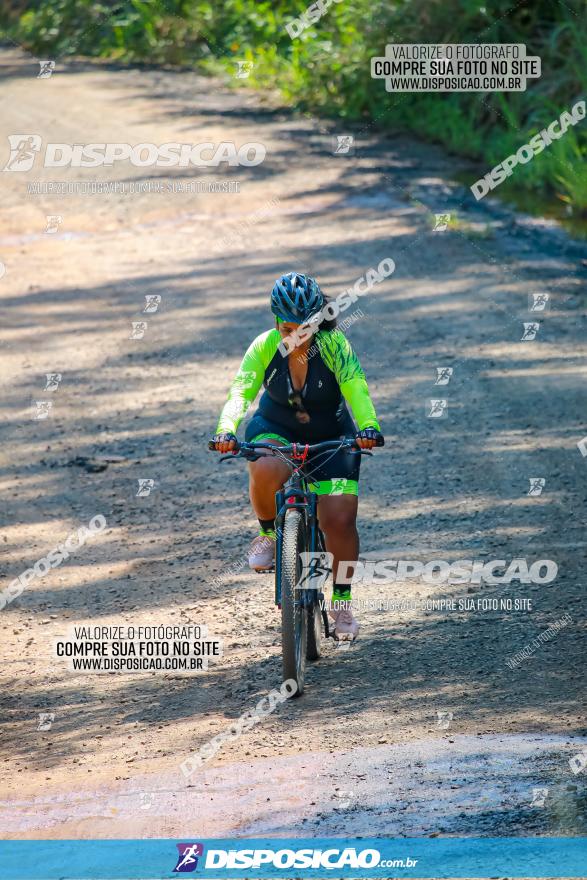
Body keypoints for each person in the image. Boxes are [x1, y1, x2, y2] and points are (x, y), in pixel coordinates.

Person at [209, 272, 384, 639]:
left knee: (338, 519)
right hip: (277, 428)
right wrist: (226, 429)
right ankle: (270, 535)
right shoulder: (263, 346)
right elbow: (242, 390)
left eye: (304, 328)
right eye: (288, 328)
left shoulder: (335, 344)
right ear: (276, 322)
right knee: (266, 464)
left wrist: (368, 426)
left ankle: (341, 599)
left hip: (331, 435)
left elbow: (356, 386)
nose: (295, 337)